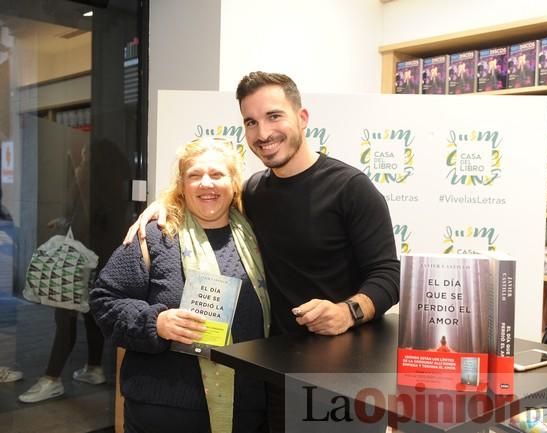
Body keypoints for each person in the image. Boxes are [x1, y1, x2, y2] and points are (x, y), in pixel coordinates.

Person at [126, 72, 400, 431]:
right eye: (251, 122)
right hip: (272, 374)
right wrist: (161, 208)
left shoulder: (351, 189)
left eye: (274, 116)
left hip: (342, 380)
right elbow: (207, 199)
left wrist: (347, 312)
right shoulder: (253, 191)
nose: (263, 133)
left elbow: (389, 276)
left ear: (302, 118)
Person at [91, 137, 270, 433]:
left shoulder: (256, 236)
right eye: (195, 175)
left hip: (245, 409)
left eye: (216, 174)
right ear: (182, 184)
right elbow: (104, 300)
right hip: (163, 411)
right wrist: (155, 322)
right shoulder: (156, 235)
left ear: (234, 182)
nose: (206, 183)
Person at [19, 143, 106, 403]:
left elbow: (84, 217)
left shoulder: (88, 181)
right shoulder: (107, 186)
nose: (81, 160)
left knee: (64, 316)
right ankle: (94, 368)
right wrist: (63, 222)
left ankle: (52, 379)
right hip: (97, 257)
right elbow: (87, 218)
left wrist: (77, 179)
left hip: (76, 261)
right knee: (88, 313)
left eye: (85, 156)